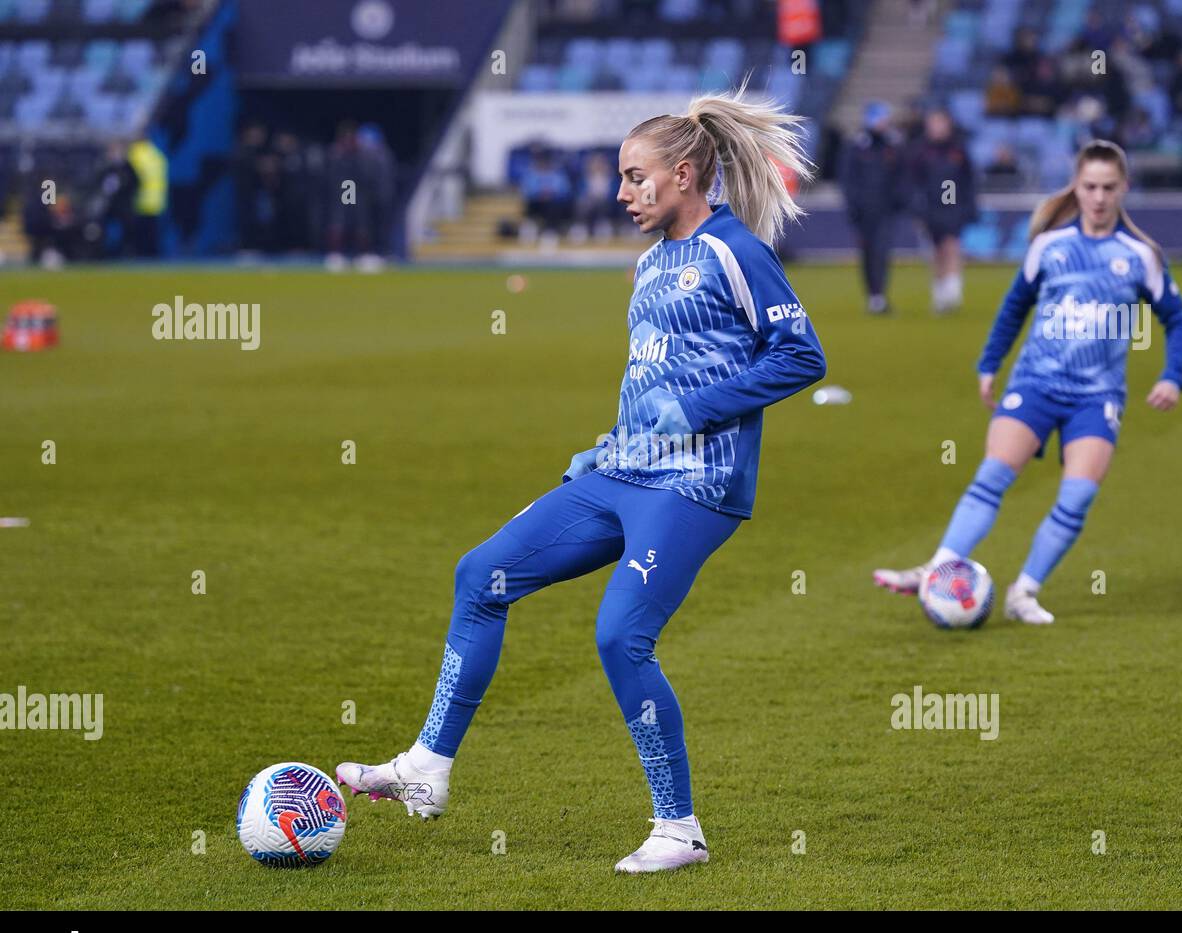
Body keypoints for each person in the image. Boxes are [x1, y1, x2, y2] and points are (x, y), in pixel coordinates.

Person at [337, 88, 827, 873]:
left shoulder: (737, 250)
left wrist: (695, 410)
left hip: (695, 484)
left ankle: (680, 828)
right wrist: (608, 445)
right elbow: (650, 377)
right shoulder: (652, 261)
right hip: (624, 471)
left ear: (688, 173)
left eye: (637, 177)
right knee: (480, 574)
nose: (623, 193)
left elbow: (803, 357)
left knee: (619, 635)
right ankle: (428, 767)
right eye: (622, 178)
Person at [873, 140, 1182, 624]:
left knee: (1078, 494)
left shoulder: (1140, 255)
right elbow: (1014, 306)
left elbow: (1178, 319)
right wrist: (989, 363)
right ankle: (937, 567)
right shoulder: (1049, 245)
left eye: (1109, 187)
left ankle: (1024, 592)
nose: (1100, 197)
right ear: (1077, 186)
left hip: (1097, 396)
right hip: (1035, 384)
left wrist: (1173, 376)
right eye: (1090, 187)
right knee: (993, 476)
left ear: (1124, 188)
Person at [838, 100, 904, 314]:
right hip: (863, 212)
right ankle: (873, 295)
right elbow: (848, 179)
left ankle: (879, 295)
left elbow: (901, 177)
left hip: (885, 210)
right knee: (867, 253)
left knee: (882, 251)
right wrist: (853, 205)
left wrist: (899, 200)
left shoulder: (892, 147)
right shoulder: (856, 147)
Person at [908, 109, 977, 313]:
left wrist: (969, 206)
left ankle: (953, 291)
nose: (937, 128)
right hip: (931, 208)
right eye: (933, 124)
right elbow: (913, 182)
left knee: (952, 245)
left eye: (940, 123)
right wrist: (917, 208)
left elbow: (968, 180)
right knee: (936, 250)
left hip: (953, 206)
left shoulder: (958, 151)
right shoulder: (920, 152)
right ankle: (939, 293)